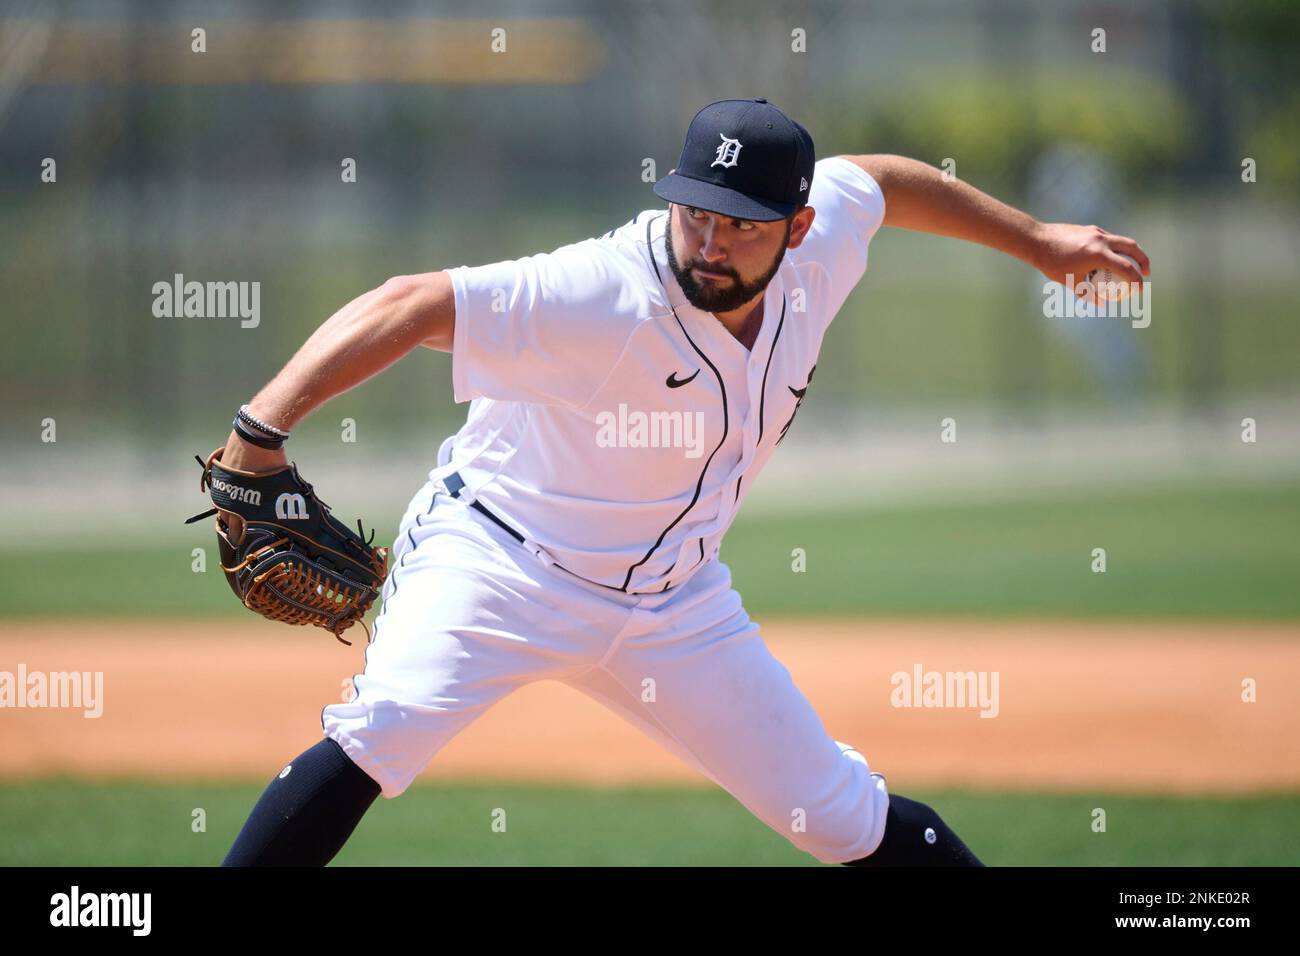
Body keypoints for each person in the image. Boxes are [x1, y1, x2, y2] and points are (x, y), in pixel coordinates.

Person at [216, 98, 1149, 866]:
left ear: (798, 226)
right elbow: (408, 303)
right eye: (693, 210)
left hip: (673, 600)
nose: (707, 240)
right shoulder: (601, 292)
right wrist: (259, 435)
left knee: (839, 816)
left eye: (738, 224)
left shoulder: (825, 244)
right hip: (499, 561)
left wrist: (1039, 245)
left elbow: (888, 182)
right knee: (384, 731)